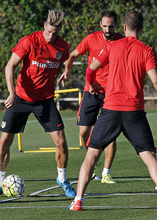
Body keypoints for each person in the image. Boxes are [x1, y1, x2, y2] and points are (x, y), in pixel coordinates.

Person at [67, 10, 157, 212]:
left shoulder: (111, 46)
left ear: (123, 28)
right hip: (134, 112)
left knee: (92, 155)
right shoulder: (147, 50)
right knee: (148, 155)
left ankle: (78, 200)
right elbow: (156, 80)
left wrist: (91, 84)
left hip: (110, 109)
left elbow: (90, 69)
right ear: (142, 28)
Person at [0, 10, 76, 197]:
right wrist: (11, 93)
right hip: (21, 97)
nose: (51, 36)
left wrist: (66, 71)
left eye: (55, 33)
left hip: (45, 101)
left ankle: (63, 179)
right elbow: (10, 66)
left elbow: (67, 60)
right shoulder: (29, 41)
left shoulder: (63, 47)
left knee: (62, 142)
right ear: (44, 25)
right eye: (49, 31)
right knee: (4, 141)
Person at [59, 10, 123, 183]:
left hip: (112, 94)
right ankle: (94, 158)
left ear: (116, 25)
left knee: (110, 134)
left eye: (111, 26)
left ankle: (106, 172)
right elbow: (72, 55)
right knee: (83, 131)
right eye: (105, 26)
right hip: (91, 91)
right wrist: (66, 71)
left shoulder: (121, 41)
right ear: (100, 25)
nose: (108, 30)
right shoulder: (91, 39)